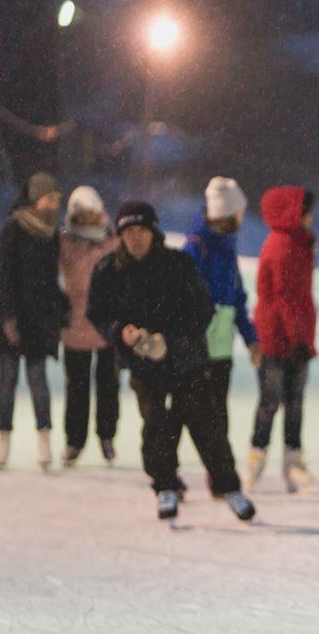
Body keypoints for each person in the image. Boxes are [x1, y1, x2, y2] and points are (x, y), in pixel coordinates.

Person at [86, 201, 256, 522]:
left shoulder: (177, 264)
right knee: (155, 424)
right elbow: (98, 313)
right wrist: (121, 331)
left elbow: (203, 308)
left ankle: (228, 486)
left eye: (141, 230)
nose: (135, 238)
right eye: (129, 232)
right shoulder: (109, 270)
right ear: (121, 235)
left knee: (206, 424)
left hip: (186, 359)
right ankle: (165, 484)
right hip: (143, 363)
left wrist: (172, 337)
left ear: (153, 231)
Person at [0, 172, 69, 471]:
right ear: (35, 199)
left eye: (57, 200)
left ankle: (44, 440)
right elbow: (3, 275)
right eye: (50, 199)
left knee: (38, 380)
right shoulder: (14, 228)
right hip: (11, 315)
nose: (54, 205)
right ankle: (3, 440)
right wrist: (8, 316)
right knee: (7, 380)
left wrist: (61, 309)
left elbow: (49, 280)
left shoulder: (52, 233)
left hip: (38, 319)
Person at [243, 186, 317, 494]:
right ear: (294, 213)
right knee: (273, 400)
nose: (312, 217)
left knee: (293, 401)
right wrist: (298, 339)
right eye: (307, 210)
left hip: (292, 335)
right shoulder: (283, 245)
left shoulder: (297, 243)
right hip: (278, 337)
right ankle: (255, 462)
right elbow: (284, 298)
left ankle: (292, 462)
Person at [181, 177, 261, 437]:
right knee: (191, 411)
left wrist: (251, 339)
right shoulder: (197, 247)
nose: (242, 217)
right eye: (239, 212)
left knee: (218, 413)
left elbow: (236, 296)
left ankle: (219, 472)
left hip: (221, 348)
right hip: (198, 347)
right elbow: (184, 297)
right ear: (228, 213)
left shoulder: (228, 243)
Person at [58, 185, 120, 467]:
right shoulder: (65, 243)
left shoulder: (113, 243)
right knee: (77, 387)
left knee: (108, 386)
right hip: (74, 325)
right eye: (81, 215)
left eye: (90, 214)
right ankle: (75, 440)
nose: (86, 220)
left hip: (107, 325)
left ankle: (107, 436)